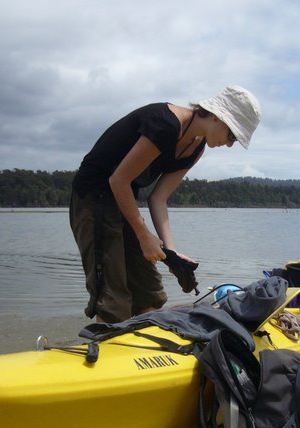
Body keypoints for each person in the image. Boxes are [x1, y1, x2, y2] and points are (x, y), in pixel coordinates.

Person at [70, 85, 262, 323]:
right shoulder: (165, 123)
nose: (230, 144)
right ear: (217, 117)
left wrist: (171, 253)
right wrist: (143, 235)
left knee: (149, 293)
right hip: (93, 198)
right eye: (232, 135)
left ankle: (144, 343)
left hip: (124, 201)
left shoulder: (196, 147)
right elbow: (118, 180)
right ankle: (107, 338)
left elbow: (158, 198)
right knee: (112, 298)